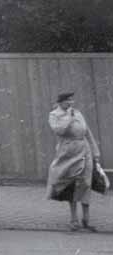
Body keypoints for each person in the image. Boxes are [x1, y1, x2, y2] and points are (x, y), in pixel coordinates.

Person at [46, 92, 102, 232]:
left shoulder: (77, 112)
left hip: (84, 150)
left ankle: (86, 219)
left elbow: (87, 132)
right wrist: (69, 118)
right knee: (71, 183)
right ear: (60, 102)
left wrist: (95, 152)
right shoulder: (54, 115)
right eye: (67, 101)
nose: (70, 103)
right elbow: (59, 131)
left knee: (86, 183)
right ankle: (73, 219)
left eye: (72, 100)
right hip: (68, 152)